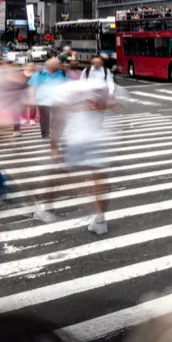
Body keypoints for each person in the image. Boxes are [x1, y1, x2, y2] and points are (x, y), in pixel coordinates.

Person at [41, 60, 119, 232]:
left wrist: (53, 146)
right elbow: (110, 105)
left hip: (76, 138)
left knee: (57, 171)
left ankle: (47, 209)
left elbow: (58, 121)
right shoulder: (99, 86)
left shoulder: (61, 90)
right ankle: (100, 221)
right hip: (98, 137)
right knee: (99, 178)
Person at [27, 58, 67, 140]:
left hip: (58, 100)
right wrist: (32, 98)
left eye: (58, 64)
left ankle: (56, 132)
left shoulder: (62, 73)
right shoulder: (40, 74)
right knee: (44, 118)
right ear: (49, 66)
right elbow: (32, 87)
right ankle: (45, 135)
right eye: (55, 64)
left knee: (59, 118)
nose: (58, 66)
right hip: (43, 100)